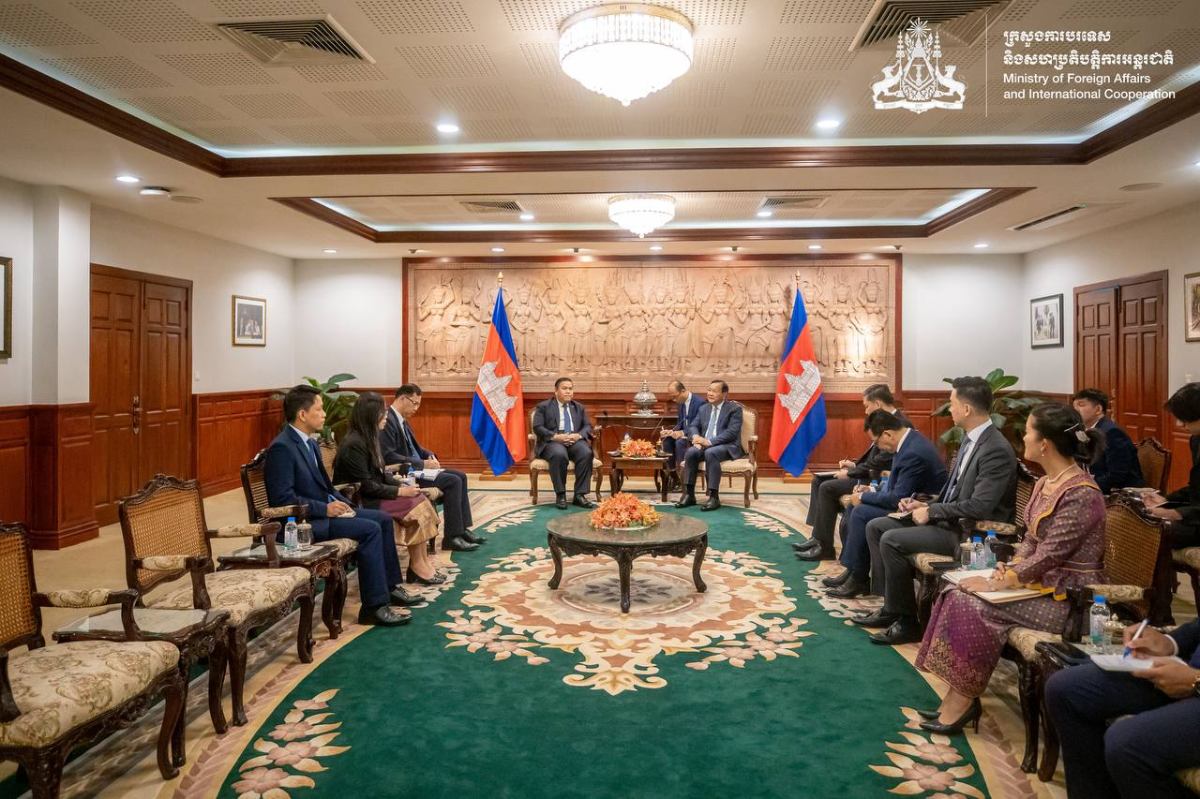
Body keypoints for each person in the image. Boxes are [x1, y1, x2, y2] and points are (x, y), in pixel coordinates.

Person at [913, 403, 1106, 735]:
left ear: (1044, 444)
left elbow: (1051, 554)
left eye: (1028, 432)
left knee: (974, 604)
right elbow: (1031, 540)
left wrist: (1001, 582)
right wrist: (1007, 569)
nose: (1023, 438)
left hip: (1070, 600)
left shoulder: (1081, 494)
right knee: (955, 590)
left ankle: (963, 701)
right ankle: (958, 695)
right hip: (1037, 585)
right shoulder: (1046, 482)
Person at [853, 376, 1018, 644]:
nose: (949, 408)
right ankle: (891, 608)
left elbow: (980, 506)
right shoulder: (971, 439)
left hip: (970, 533)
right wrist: (925, 504)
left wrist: (932, 512)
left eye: (952, 403)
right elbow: (954, 492)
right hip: (950, 520)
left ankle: (908, 622)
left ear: (967, 409)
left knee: (891, 539)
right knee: (876, 526)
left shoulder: (994, 448)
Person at [264, 385, 414, 627]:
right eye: (319, 409)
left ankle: (390, 587)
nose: (324, 414)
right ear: (302, 414)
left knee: (382, 519)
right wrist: (324, 509)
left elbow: (326, 487)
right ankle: (373, 607)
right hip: (301, 525)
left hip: (323, 514)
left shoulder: (311, 443)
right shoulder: (282, 448)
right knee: (370, 529)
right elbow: (282, 499)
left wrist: (344, 504)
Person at [1046, 616, 1200, 797]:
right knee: (1066, 690)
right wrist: (1170, 642)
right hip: (1189, 669)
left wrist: (1196, 681)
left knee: (1126, 743)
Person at [824, 411, 948, 598]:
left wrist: (864, 497)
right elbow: (896, 487)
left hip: (921, 509)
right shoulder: (908, 442)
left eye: (876, 442)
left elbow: (897, 497)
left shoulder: (913, 452)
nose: (877, 447)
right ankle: (854, 572)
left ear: (887, 434)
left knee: (861, 511)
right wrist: (871, 490)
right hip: (908, 502)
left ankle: (858, 578)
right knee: (855, 506)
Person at [334, 392, 445, 586]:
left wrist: (401, 484)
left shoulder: (369, 438)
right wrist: (400, 492)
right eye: (382, 412)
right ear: (371, 415)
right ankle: (418, 566)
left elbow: (381, 473)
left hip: (376, 494)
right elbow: (366, 486)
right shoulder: (354, 444)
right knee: (414, 506)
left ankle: (421, 563)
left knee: (419, 499)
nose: (386, 416)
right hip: (361, 500)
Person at [796, 384, 910, 561]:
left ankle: (824, 548)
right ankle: (818, 538)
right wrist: (854, 465)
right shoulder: (885, 420)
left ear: (877, 404)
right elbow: (875, 456)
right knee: (818, 481)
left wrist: (851, 473)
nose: (866, 411)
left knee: (827, 488)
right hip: (866, 471)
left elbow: (882, 461)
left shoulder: (899, 425)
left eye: (866, 406)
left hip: (875, 478)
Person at [381, 384, 481, 553]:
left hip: (417, 469)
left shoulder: (401, 420)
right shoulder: (388, 420)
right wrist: (422, 464)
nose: (416, 408)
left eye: (418, 404)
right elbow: (389, 456)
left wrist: (429, 455)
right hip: (405, 474)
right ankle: (451, 537)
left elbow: (415, 448)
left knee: (461, 476)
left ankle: (462, 529)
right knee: (453, 481)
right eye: (414, 403)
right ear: (403, 398)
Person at [1140, 382, 1200, 548]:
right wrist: (1165, 500)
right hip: (1195, 515)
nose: (1180, 424)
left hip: (1195, 519)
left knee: (1145, 531)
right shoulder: (1196, 440)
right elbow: (1196, 488)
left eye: (1184, 418)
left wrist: (1175, 513)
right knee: (1132, 520)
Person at [675, 380, 743, 512]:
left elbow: (732, 432)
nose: (710, 393)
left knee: (711, 452)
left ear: (724, 394)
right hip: (704, 445)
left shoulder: (734, 409)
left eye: (714, 391)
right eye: (709, 390)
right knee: (691, 452)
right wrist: (696, 437)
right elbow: (693, 426)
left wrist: (709, 442)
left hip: (726, 445)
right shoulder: (704, 408)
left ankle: (713, 497)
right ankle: (689, 494)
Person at [531, 377, 598, 510]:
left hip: (573, 439)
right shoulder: (544, 406)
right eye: (564, 388)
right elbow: (537, 427)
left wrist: (578, 435)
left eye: (570, 389)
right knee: (559, 454)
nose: (568, 391)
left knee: (586, 452)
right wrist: (556, 436)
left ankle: (579, 495)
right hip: (552, 441)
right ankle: (560, 494)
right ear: (556, 391)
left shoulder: (578, 407)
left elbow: (587, 426)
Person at [1071, 388, 1143, 493]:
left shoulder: (1112, 433)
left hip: (1120, 492)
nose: (1075, 410)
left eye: (1081, 405)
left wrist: (1087, 487)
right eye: (1074, 407)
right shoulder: (1082, 430)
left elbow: (1117, 475)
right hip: (1095, 485)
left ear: (1098, 409)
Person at [659, 380, 704, 486]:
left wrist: (682, 432)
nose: (674, 400)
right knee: (666, 441)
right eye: (672, 397)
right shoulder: (681, 403)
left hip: (696, 435)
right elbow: (681, 423)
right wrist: (672, 431)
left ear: (683, 391)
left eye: (675, 396)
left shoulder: (700, 403)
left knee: (680, 442)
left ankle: (684, 477)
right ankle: (673, 475)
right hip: (683, 434)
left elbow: (699, 425)